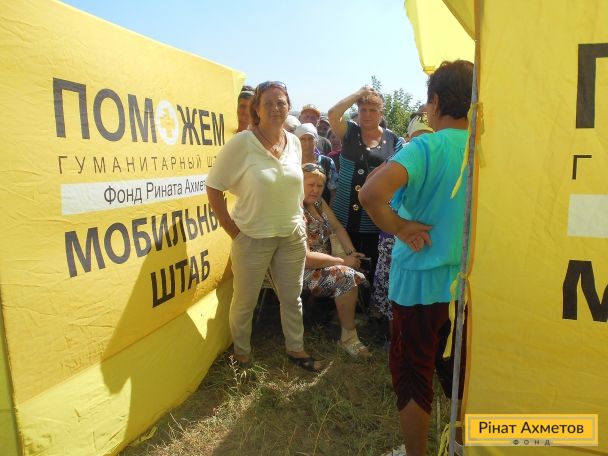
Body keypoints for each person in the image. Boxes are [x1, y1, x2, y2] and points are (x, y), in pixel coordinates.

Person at [359, 60, 473, 456]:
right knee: (461, 374)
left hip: (418, 285)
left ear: (435, 102)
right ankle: (461, 447)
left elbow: (370, 193)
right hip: (466, 285)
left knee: (413, 374)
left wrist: (400, 226)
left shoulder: (426, 146)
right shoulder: (485, 149)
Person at [206, 81, 321, 373]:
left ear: (288, 106)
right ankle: (241, 355)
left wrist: (299, 214)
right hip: (252, 236)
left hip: (291, 235)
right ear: (256, 109)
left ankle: (296, 349)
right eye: (268, 103)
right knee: (245, 301)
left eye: (281, 102)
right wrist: (233, 230)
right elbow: (213, 186)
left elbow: (293, 185)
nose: (275, 108)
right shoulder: (242, 143)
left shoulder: (294, 142)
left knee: (291, 298)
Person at [327, 86, 402, 293]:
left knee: (372, 266)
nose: (367, 114)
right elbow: (333, 114)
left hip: (375, 218)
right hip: (343, 218)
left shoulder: (394, 140)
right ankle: (343, 303)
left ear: (381, 113)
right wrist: (358, 94)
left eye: (372, 110)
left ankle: (369, 305)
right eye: (363, 110)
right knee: (344, 267)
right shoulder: (349, 131)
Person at [369, 111, 434, 323]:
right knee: (393, 286)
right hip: (395, 231)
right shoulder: (401, 157)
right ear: (409, 138)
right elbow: (370, 186)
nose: (423, 143)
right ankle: (391, 330)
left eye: (428, 137)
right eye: (418, 138)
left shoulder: (433, 159)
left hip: (419, 231)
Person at [301, 163, 370, 358]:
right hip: (299, 271)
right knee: (346, 276)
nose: (315, 190)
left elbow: (338, 227)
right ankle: (349, 339)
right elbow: (305, 258)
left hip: (322, 263)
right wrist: (342, 261)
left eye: (320, 186)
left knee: (357, 266)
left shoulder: (317, 202)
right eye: (310, 185)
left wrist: (351, 252)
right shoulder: (294, 210)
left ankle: (343, 319)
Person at [294, 123, 337, 204]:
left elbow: (333, 192)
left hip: (322, 208)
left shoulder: (327, 162)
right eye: (302, 139)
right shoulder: (292, 162)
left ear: (316, 141)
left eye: (311, 139)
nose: (307, 143)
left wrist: (328, 209)